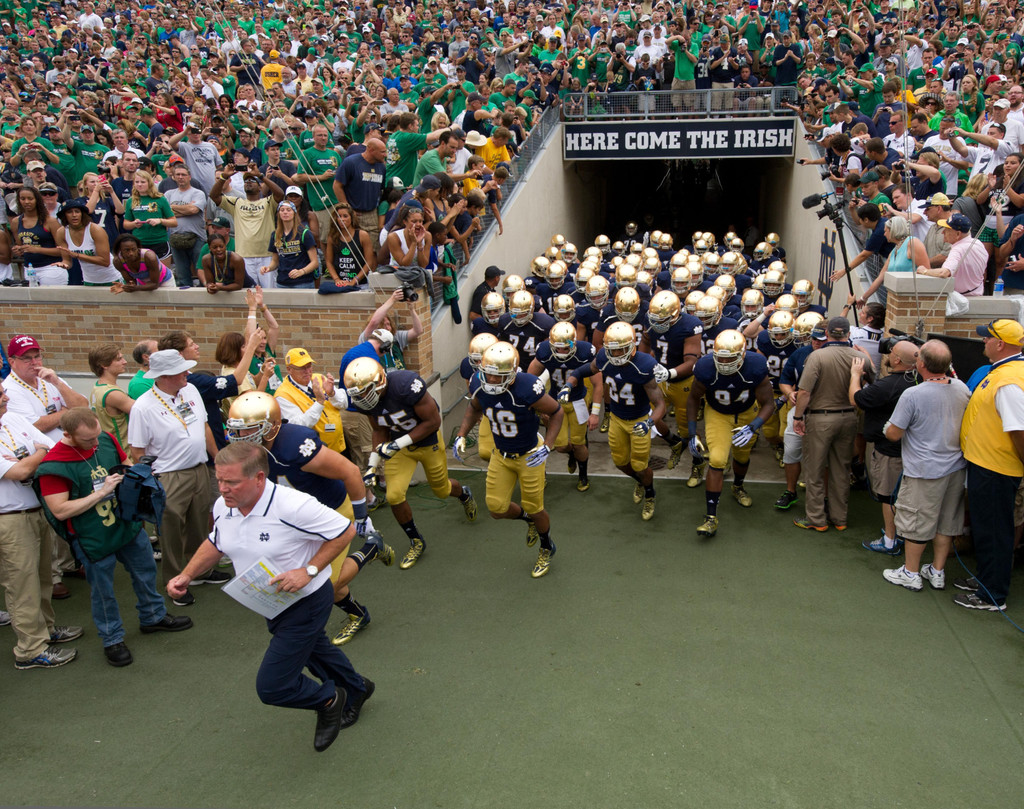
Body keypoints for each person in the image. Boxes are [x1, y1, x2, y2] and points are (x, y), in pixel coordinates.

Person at [167, 442, 374, 753]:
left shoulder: (293, 505)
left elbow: (343, 531)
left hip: (305, 601)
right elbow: (217, 540)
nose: (223, 489)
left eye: (232, 482)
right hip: (270, 601)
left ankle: (331, 700)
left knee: (273, 685)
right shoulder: (224, 506)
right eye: (219, 480)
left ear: (260, 478)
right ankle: (358, 688)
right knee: (315, 650)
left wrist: (309, 569)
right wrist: (187, 574)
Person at [225, 392, 392, 646]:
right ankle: (358, 614)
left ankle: (371, 548)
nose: (239, 438)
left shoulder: (294, 445)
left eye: (249, 430)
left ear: (270, 428)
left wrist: (360, 516)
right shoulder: (252, 452)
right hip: (295, 517)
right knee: (302, 576)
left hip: (330, 513)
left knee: (326, 582)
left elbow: (349, 471)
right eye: (236, 431)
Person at [37, 408, 192, 666]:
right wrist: (101, 493)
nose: (95, 444)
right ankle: (112, 639)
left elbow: (125, 464)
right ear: (67, 435)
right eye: (88, 440)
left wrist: (138, 475)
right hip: (92, 536)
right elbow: (59, 510)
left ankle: (153, 616)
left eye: (97, 436)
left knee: (145, 571)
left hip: (125, 524)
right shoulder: (54, 465)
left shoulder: (105, 439)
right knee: (103, 591)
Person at [345, 357, 476, 569]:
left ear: (379, 381)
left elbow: (433, 422)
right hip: (400, 448)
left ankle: (464, 494)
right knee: (394, 495)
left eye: (365, 392)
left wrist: (397, 443)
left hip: (428, 443)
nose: (362, 398)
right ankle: (416, 540)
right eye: (357, 395)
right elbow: (379, 430)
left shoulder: (406, 385)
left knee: (441, 490)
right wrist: (372, 465)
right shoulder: (366, 403)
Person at [454, 342, 562, 578]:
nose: (491, 381)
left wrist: (548, 446)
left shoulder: (527, 388)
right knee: (496, 509)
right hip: (501, 455)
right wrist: (462, 434)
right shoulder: (478, 384)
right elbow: (473, 408)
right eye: (488, 374)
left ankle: (546, 546)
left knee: (536, 507)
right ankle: (528, 520)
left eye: (497, 376)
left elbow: (556, 412)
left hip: (529, 455)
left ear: (512, 374)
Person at [126, 350, 223, 605]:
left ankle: (200, 571)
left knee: (200, 522)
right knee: (170, 532)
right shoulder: (143, 407)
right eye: (182, 370)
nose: (187, 374)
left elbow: (203, 426)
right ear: (165, 376)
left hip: (199, 468)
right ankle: (174, 581)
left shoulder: (190, 391)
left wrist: (218, 459)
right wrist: (154, 480)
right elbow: (137, 450)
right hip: (168, 476)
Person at [0, 379, 81, 670]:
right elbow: (21, 469)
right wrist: (35, 456)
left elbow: (54, 447)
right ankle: (30, 649)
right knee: (22, 585)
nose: (6, 396)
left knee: (43, 576)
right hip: (9, 519)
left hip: (35, 510)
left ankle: (45, 631)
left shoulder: (12, 417)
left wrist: (34, 458)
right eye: (0, 394)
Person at [880, 341, 970, 593]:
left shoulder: (913, 394)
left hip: (923, 471)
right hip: (955, 469)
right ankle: (937, 571)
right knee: (946, 524)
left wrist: (887, 428)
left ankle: (910, 572)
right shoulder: (962, 388)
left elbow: (894, 434)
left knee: (916, 524)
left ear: (920, 364)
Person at [5, 334, 89, 597]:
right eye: (26, 358)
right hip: (41, 461)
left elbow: (82, 406)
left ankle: (68, 563)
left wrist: (55, 383)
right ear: (12, 361)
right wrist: (66, 414)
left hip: (65, 457)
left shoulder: (49, 378)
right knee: (49, 516)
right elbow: (34, 426)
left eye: (36, 356)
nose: (33, 362)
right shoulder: (10, 389)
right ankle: (52, 576)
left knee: (68, 512)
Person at [562, 322, 667, 522]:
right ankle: (641, 482)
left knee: (640, 465)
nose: (617, 354)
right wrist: (569, 384)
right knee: (620, 463)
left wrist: (649, 423)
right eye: (613, 350)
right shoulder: (604, 357)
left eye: (621, 350)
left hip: (639, 420)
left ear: (631, 346)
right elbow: (584, 370)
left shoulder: (644, 365)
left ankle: (650, 494)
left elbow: (660, 404)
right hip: (617, 419)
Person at [957, 319, 1024, 611]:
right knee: (985, 529)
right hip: (987, 464)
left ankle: (992, 594)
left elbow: (1019, 430)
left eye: (987, 338)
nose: (983, 341)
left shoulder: (1009, 381)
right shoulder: (1002, 372)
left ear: (1000, 344)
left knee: (994, 531)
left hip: (997, 468)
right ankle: (986, 579)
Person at [687, 329, 774, 537]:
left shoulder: (756, 366)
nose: (725, 363)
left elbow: (768, 403)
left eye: (730, 358)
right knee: (717, 459)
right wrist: (692, 433)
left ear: (742, 355)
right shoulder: (705, 367)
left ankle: (737, 486)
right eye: (721, 358)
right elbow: (693, 399)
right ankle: (710, 517)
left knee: (742, 457)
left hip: (747, 413)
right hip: (718, 413)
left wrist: (754, 426)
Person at [793, 317, 873, 532]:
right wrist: (867, 360)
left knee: (815, 469)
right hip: (849, 418)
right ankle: (840, 518)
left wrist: (798, 417)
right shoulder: (858, 357)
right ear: (848, 334)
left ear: (827, 333)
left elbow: (804, 392)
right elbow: (874, 383)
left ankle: (816, 519)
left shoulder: (817, 356)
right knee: (841, 469)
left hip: (820, 418)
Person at [850, 339, 919, 555]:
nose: (889, 354)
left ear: (897, 360)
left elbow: (857, 399)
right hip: (914, 449)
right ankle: (898, 532)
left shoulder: (890, 386)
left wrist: (855, 375)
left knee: (888, 497)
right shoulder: (918, 380)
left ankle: (890, 540)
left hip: (890, 451)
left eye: (893, 352)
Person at [528, 322, 602, 492]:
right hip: (555, 403)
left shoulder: (585, 352)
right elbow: (529, 380)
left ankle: (583, 475)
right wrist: (540, 407)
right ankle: (571, 454)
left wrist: (595, 413)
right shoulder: (545, 351)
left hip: (578, 401)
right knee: (560, 446)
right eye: (558, 348)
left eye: (565, 348)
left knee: (579, 443)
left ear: (574, 344)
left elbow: (598, 384)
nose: (561, 352)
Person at [210, 166, 284, 289]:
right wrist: (224, 176)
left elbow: (280, 194)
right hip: (244, 256)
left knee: (270, 292)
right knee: (249, 292)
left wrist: (261, 176)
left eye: (252, 180)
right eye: (246, 181)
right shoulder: (236, 202)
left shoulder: (267, 202)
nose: (248, 182)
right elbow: (214, 196)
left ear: (260, 187)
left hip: (267, 255)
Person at [915, 212, 987, 296]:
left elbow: (943, 273)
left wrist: (924, 271)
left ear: (958, 234)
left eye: (947, 230)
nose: (943, 232)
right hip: (977, 295)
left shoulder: (958, 250)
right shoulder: (978, 244)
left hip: (961, 300)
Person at [87, 343, 134, 451]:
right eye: (119, 359)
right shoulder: (112, 393)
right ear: (104, 364)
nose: (125, 362)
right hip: (124, 452)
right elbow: (145, 411)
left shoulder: (97, 387)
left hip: (110, 448)